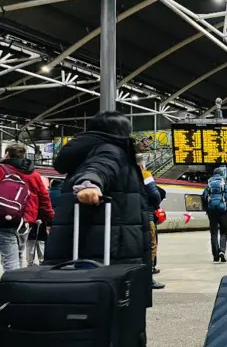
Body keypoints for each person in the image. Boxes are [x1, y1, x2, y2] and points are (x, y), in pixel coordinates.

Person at [44, 112, 153, 301]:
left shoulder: (90, 151)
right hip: (112, 247)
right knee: (115, 306)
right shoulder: (110, 150)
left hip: (99, 241)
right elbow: (99, 167)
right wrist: (89, 184)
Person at [0, 142, 54, 271]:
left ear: (7, 154)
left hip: (4, 217)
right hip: (26, 220)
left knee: (9, 255)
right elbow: (44, 198)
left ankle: (13, 284)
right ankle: (18, 278)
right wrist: (49, 217)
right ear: (24, 155)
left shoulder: (1, 170)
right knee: (19, 251)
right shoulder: (34, 175)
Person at [136, 154, 165, 289]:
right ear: (142, 164)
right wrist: (156, 206)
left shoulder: (125, 174)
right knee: (150, 246)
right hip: (146, 217)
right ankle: (149, 277)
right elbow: (155, 194)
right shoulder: (145, 174)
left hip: (129, 217)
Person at [202, 168, 227, 263]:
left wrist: (207, 210)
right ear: (221, 174)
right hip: (223, 211)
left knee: (213, 233)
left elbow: (203, 197)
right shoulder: (226, 185)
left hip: (212, 212)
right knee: (223, 232)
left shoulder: (209, 185)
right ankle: (222, 251)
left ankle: (215, 256)